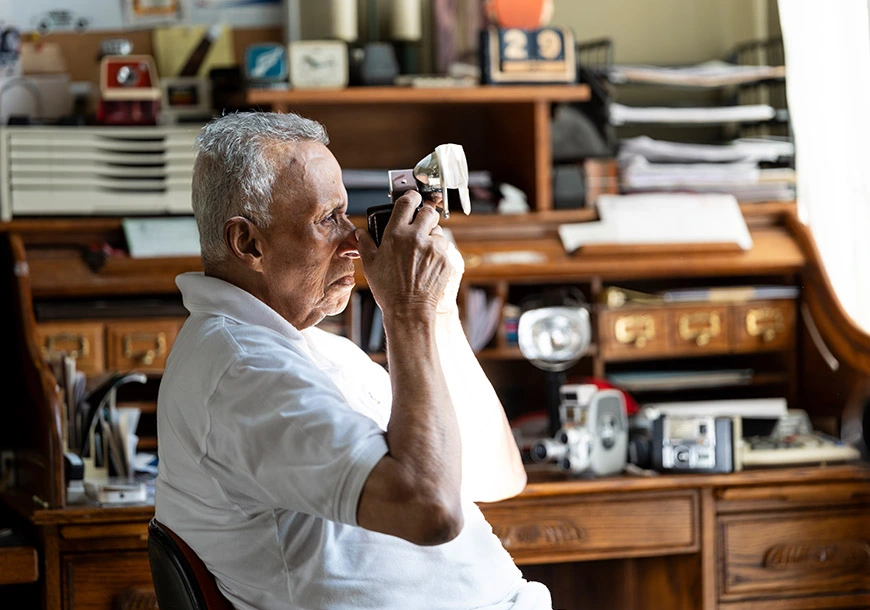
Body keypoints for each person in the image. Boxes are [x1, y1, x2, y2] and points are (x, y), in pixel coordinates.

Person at [155, 111, 553, 610]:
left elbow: (496, 477)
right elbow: (432, 510)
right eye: (327, 219)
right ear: (248, 243)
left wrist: (438, 311)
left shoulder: (321, 349)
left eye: (347, 214)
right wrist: (408, 310)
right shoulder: (242, 371)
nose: (353, 243)